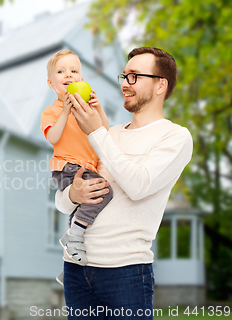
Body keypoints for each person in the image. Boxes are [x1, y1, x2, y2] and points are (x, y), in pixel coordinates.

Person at [56, 47, 193, 319]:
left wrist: (95, 132)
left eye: (134, 77)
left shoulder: (175, 137)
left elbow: (138, 185)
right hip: (75, 268)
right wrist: (73, 192)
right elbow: (62, 202)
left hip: (126, 272)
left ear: (160, 85)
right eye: (124, 76)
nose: (124, 84)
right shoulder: (109, 135)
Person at [40, 49, 114, 272]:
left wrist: (98, 107)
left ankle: (71, 261)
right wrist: (65, 112)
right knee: (105, 192)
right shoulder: (51, 111)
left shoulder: (87, 109)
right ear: (51, 83)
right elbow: (53, 137)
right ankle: (73, 237)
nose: (68, 75)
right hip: (66, 167)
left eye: (74, 71)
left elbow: (104, 130)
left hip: (84, 167)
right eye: (61, 72)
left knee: (79, 211)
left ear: (81, 79)